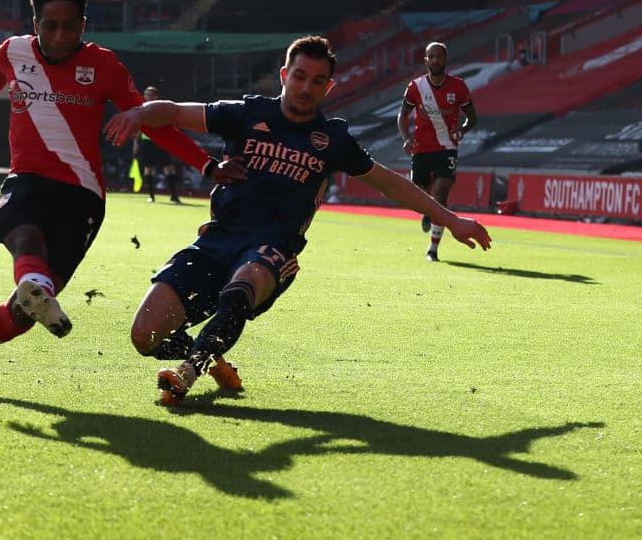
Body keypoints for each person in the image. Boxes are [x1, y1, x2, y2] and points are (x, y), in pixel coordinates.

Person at [104, 35, 492, 405]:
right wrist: (138, 112)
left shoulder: (333, 139)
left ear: (329, 87)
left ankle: (189, 370)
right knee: (145, 336)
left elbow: (389, 183)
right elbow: (171, 112)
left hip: (273, 250)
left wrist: (450, 218)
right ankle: (211, 354)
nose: (307, 87)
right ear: (285, 75)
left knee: (244, 283)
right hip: (217, 241)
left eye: (318, 81)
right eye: (300, 76)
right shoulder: (246, 113)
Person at [0, 0, 245, 391]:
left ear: (83, 24)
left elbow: (152, 123)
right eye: (49, 25)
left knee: (24, 313)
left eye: (69, 26)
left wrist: (206, 165)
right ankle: (35, 284)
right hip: (26, 180)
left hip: (82, 196)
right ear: (34, 22)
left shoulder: (106, 67)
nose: (59, 36)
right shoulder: (13, 52)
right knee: (23, 237)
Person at [396, 41, 477, 261]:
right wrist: (405, 138)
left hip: (447, 148)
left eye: (439, 56)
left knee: (440, 197)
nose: (435, 60)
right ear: (425, 60)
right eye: (431, 57)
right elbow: (401, 116)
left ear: (446, 59)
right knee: (420, 195)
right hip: (421, 148)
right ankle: (427, 210)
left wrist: (462, 129)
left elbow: (472, 116)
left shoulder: (459, 87)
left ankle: (433, 250)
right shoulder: (415, 87)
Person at [133, 85, 182, 203]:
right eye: (147, 95)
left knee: (169, 168)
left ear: (156, 96)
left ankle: (174, 195)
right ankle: (151, 195)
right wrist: (135, 143)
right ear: (144, 96)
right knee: (148, 168)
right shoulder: (141, 108)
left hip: (161, 142)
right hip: (147, 143)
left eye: (151, 95)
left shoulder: (162, 107)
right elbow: (139, 127)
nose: (149, 97)